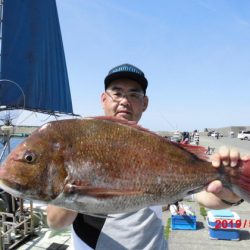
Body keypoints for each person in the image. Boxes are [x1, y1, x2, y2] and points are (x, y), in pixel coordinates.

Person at [47, 63, 246, 250]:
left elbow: (204, 196)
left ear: (145, 103)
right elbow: (55, 222)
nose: (124, 101)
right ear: (103, 99)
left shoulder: (157, 147)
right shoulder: (82, 143)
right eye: (117, 93)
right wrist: (74, 183)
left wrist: (232, 195)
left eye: (134, 94)